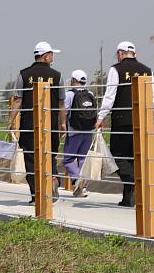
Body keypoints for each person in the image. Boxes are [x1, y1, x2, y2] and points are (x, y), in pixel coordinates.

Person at [95, 41, 154, 207]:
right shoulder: (147, 70)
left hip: (122, 120)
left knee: (118, 156)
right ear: (135, 53)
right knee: (134, 158)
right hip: (144, 121)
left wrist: (101, 116)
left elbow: (110, 95)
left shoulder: (116, 69)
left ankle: (133, 182)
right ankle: (128, 198)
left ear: (120, 53)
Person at [8, 41, 66, 204]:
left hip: (29, 125)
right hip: (51, 125)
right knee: (50, 156)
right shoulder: (58, 75)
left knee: (31, 159)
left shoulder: (23, 74)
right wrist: (62, 124)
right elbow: (62, 102)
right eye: (52, 54)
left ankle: (36, 195)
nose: (53, 57)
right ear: (46, 56)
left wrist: (11, 121)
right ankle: (53, 179)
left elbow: (18, 100)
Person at [63, 70, 96, 197]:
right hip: (88, 131)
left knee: (68, 159)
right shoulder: (90, 94)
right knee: (83, 159)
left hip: (74, 131)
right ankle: (83, 188)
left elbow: (64, 112)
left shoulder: (70, 95)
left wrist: (62, 126)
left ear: (73, 80)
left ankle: (77, 180)